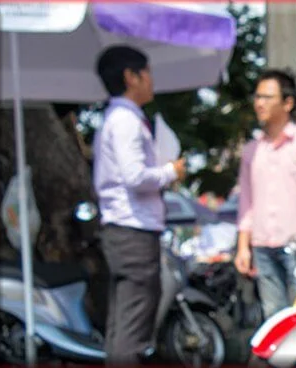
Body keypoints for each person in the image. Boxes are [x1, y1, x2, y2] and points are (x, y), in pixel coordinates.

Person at [93, 45, 186, 365]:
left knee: (122, 326)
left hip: (124, 230)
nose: (150, 80)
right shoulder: (126, 121)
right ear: (131, 77)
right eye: (146, 73)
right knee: (133, 327)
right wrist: (169, 171)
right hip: (133, 230)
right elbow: (134, 177)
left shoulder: (116, 118)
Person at [234, 69, 296, 319]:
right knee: (273, 318)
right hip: (262, 246)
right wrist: (243, 247)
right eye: (257, 97)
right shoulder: (252, 150)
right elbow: (247, 202)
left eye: (267, 97)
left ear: (288, 103)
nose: (259, 103)